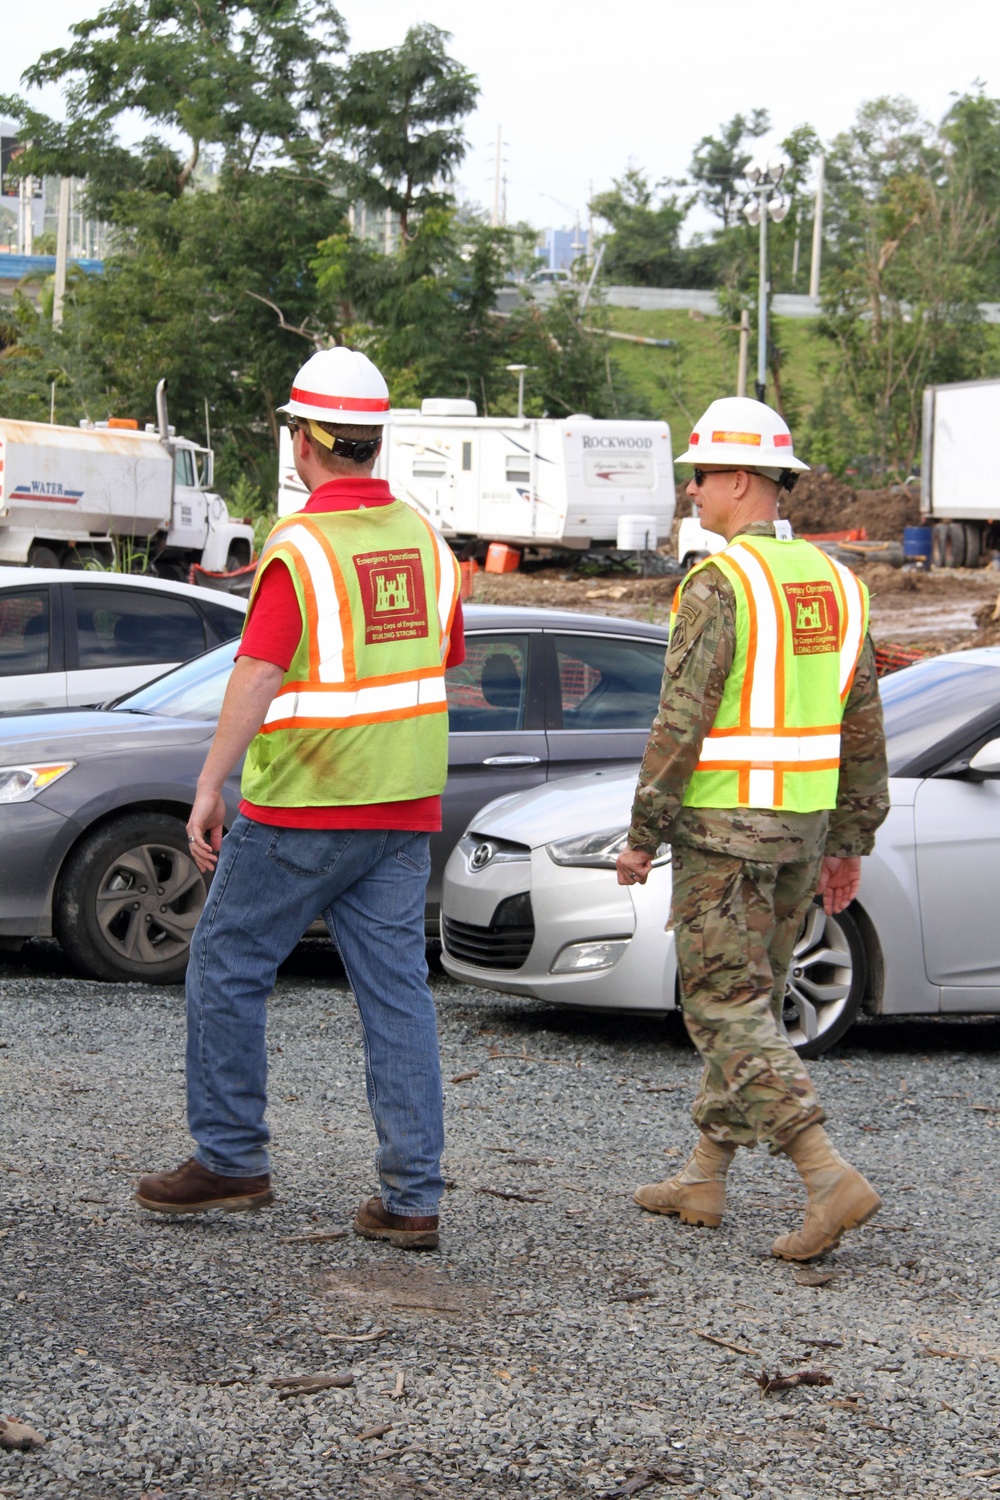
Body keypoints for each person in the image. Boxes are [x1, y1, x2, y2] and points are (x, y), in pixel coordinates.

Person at [136, 348, 463, 1251]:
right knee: (396, 997)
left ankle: (232, 1159)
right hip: (401, 809)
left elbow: (258, 671)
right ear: (371, 440)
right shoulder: (427, 541)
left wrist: (208, 785)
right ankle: (412, 1199)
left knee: (227, 965)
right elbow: (439, 660)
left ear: (304, 442)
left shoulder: (304, 546)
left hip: (305, 804)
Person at [616, 397, 889, 1262]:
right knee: (754, 1004)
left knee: (722, 1007)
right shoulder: (841, 584)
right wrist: (849, 839)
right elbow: (864, 725)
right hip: (800, 836)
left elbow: (679, 719)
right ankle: (704, 1176)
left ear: (740, 480)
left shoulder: (721, 584)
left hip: (726, 834)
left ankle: (825, 1174)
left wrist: (641, 832)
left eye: (699, 475)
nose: (692, 491)